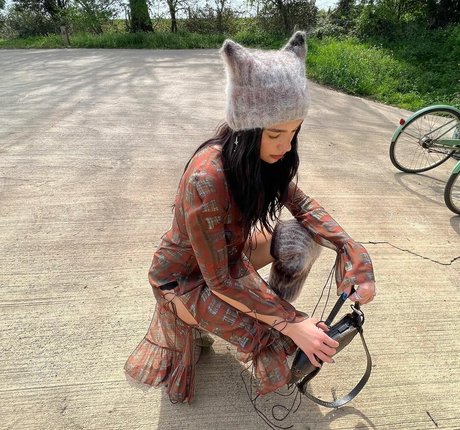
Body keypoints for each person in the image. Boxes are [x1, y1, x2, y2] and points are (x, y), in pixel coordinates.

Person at [124, 31, 376, 404]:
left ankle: (270, 314)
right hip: (185, 280)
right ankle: (259, 325)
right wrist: (290, 321)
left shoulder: (265, 159)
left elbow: (303, 206)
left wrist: (350, 249)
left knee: (300, 238)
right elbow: (220, 280)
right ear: (247, 128)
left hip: (230, 257)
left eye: (293, 133)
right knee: (272, 336)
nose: (285, 146)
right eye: (275, 134)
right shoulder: (206, 178)